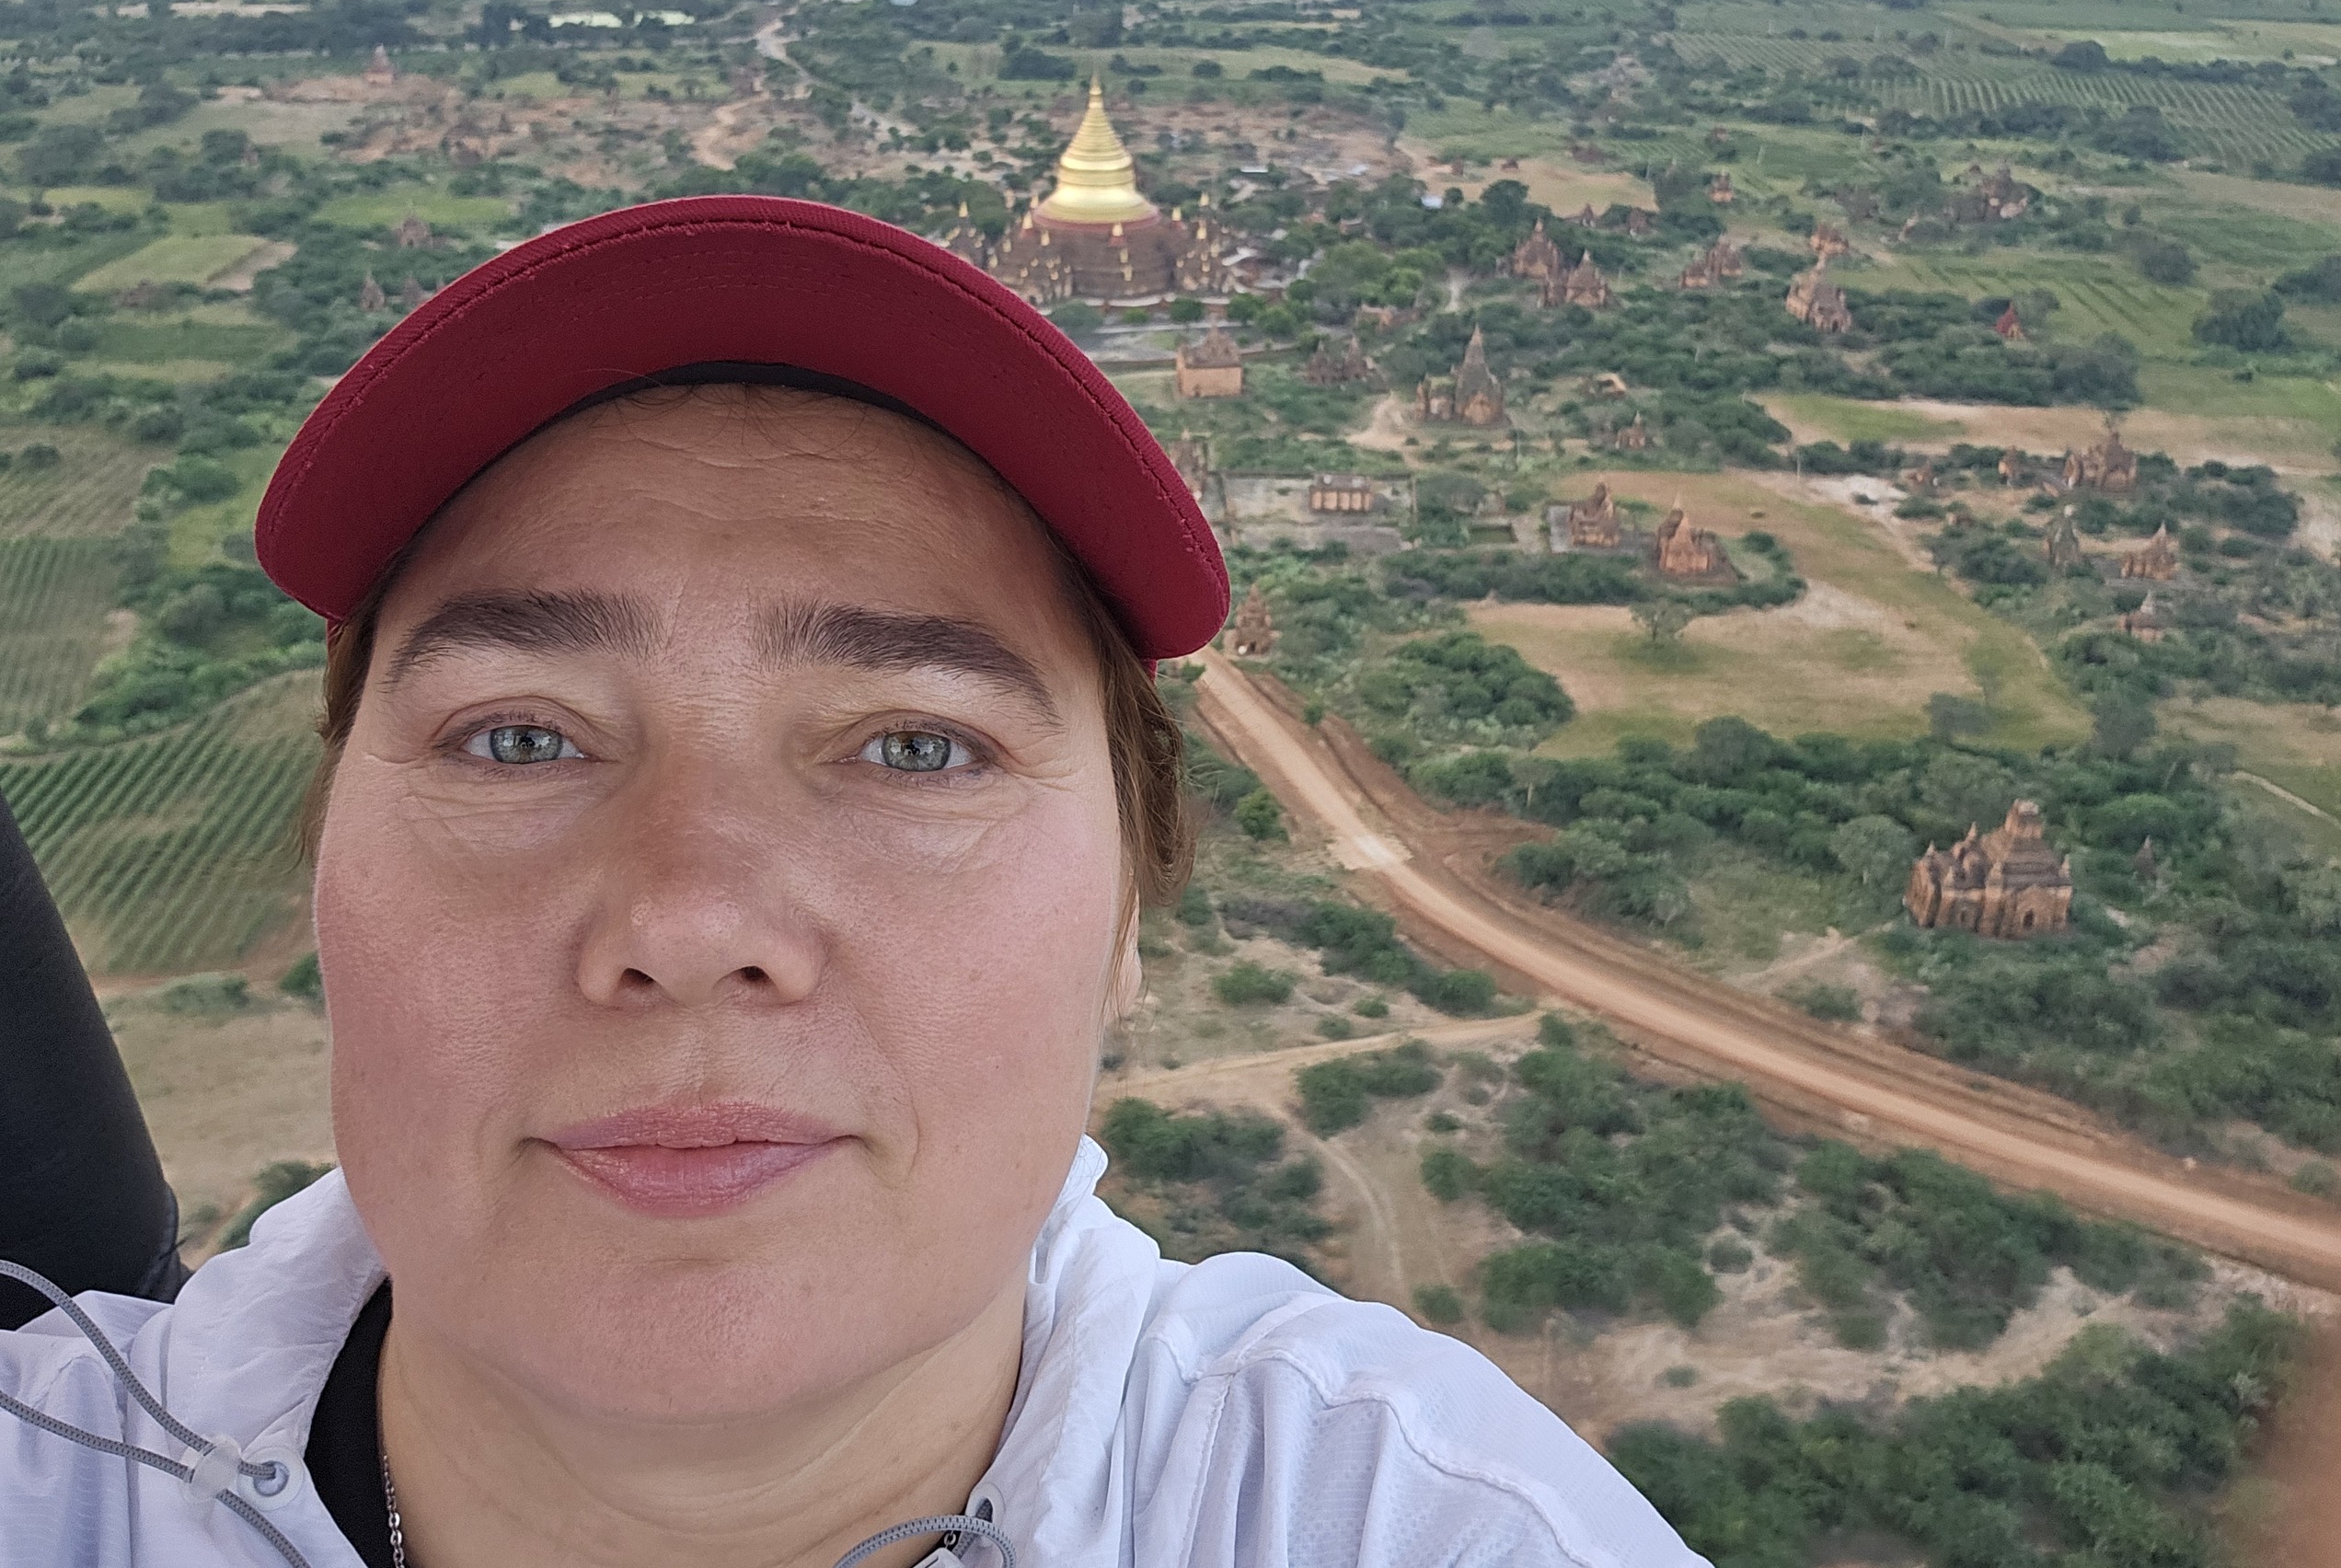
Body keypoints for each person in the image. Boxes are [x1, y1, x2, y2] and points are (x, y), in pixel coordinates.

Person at [0, 196, 1705, 1568]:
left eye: (914, 746)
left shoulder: (1405, 1523)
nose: (690, 923)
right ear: (326, 871)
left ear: (1130, 909)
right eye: (519, 739)